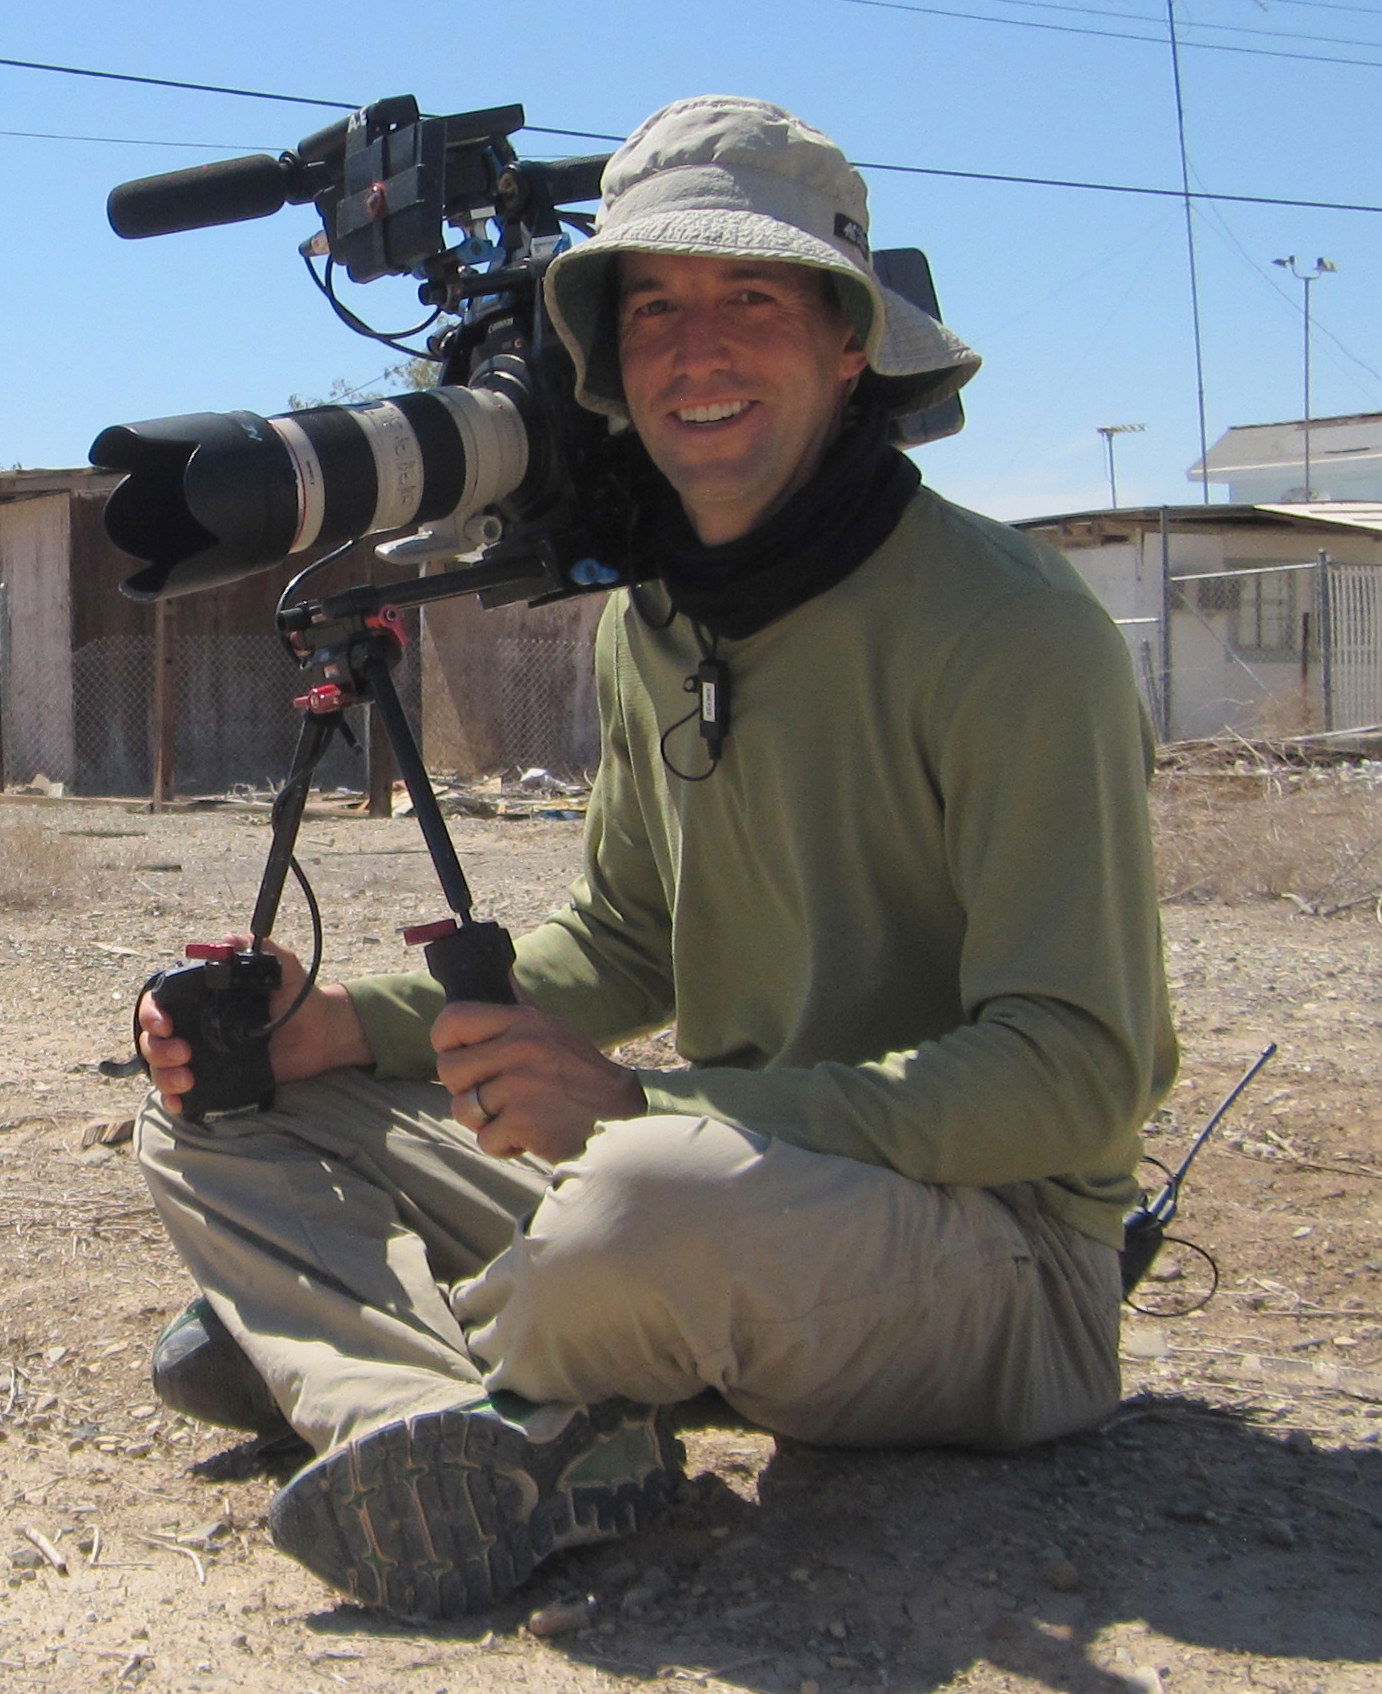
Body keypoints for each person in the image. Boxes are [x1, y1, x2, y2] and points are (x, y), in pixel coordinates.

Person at [129, 94, 1178, 1621]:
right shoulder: (657, 614)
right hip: (723, 1178)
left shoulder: (1009, 631)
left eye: (748, 296)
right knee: (214, 1107)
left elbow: (1075, 1072)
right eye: (653, 308)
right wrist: (340, 1023)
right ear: (608, 362)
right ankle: (450, 1418)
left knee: (633, 1203)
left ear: (846, 342)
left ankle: (403, 1328)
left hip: (998, 1260)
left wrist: (642, 1104)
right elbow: (623, 941)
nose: (696, 348)